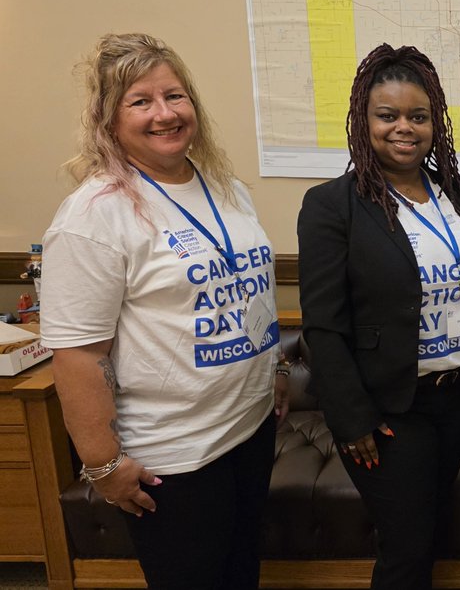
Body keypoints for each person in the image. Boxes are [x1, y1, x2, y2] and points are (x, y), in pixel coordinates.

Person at [40, 33, 286, 589]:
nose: (164, 114)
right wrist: (104, 464)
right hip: (173, 457)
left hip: (246, 430)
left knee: (241, 574)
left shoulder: (222, 186)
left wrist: (278, 371)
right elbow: (78, 354)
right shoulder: (94, 216)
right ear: (108, 118)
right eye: (141, 101)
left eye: (175, 96)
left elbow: (251, 293)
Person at [297, 43, 460, 589]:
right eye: (387, 116)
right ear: (362, 121)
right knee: (406, 552)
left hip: (454, 398)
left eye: (418, 116)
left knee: (431, 535)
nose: (404, 128)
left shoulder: (452, 193)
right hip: (389, 410)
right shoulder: (331, 205)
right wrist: (351, 419)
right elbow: (323, 323)